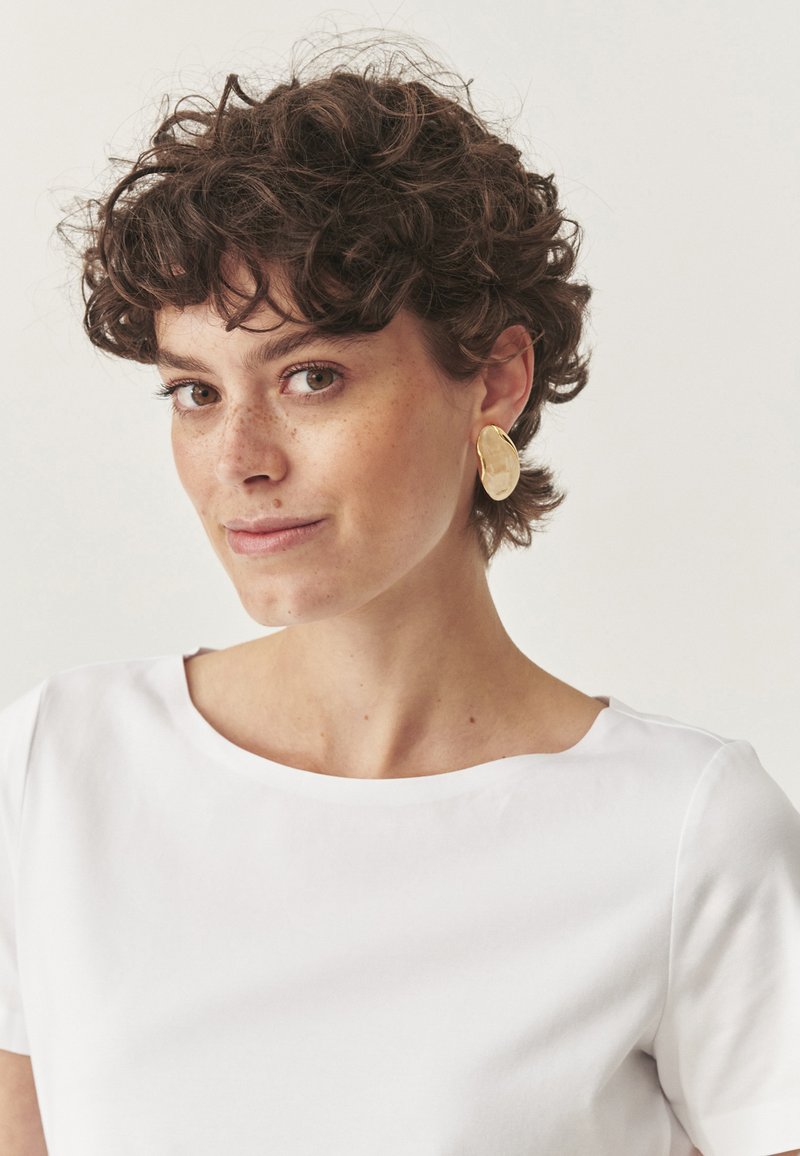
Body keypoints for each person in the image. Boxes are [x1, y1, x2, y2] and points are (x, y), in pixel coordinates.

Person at [1, 38, 799, 1156]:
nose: (239, 460)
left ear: (495, 380)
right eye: (194, 392)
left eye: (310, 377)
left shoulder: (686, 832)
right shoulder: (56, 767)